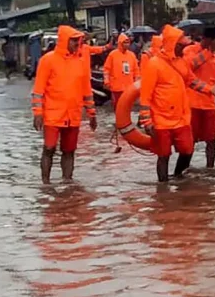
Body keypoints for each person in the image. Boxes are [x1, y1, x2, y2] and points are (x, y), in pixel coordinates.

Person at [139, 25, 215, 183]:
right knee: (163, 155)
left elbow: (192, 81)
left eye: (184, 45)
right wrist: (146, 121)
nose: (184, 48)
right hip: (161, 119)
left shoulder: (181, 62)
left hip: (181, 118)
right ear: (172, 45)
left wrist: (210, 89)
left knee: (187, 150)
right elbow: (145, 96)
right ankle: (163, 189)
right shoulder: (154, 64)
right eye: (181, 46)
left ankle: (178, 178)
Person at [32, 26, 97, 184]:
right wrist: (38, 113)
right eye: (73, 40)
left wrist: (92, 113)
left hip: (73, 114)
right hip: (53, 114)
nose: (77, 43)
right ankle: (46, 184)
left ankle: (67, 183)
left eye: (78, 40)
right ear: (64, 41)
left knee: (69, 151)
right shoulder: (48, 60)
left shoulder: (80, 62)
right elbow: (38, 90)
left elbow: (86, 91)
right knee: (49, 149)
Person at [182, 27, 215, 168]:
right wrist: (207, 51)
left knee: (211, 140)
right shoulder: (190, 51)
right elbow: (189, 68)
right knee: (190, 140)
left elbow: (213, 81)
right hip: (193, 103)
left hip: (209, 104)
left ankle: (210, 169)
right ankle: (183, 169)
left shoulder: (214, 58)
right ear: (209, 39)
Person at [103, 32, 140, 108]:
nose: (127, 44)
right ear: (120, 43)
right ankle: (119, 119)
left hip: (129, 86)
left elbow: (136, 70)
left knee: (128, 106)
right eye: (125, 43)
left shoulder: (132, 55)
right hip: (116, 86)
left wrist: (136, 83)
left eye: (128, 43)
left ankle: (126, 120)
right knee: (117, 106)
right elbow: (106, 69)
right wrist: (106, 81)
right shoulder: (112, 55)